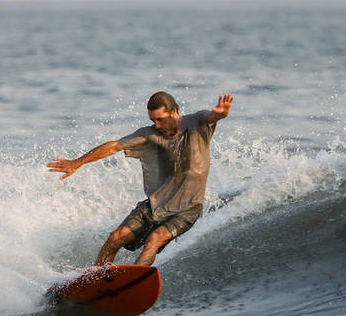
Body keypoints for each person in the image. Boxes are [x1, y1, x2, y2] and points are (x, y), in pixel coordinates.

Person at [47, 92, 234, 266]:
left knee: (154, 240)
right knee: (114, 238)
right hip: (155, 205)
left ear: (174, 112)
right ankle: (97, 279)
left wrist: (222, 113)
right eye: (153, 120)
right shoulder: (149, 134)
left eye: (160, 119)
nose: (157, 125)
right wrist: (77, 163)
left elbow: (212, 117)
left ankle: (131, 283)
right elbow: (114, 146)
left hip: (187, 209)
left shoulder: (197, 123)